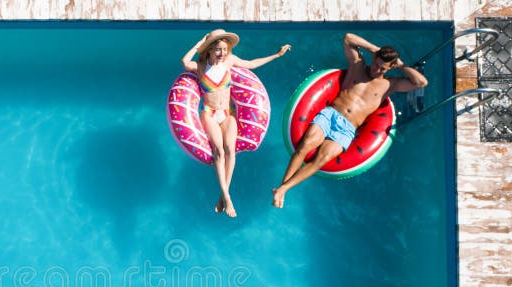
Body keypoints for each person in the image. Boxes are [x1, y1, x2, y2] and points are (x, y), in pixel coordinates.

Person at [272, 33, 428, 209]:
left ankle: (283, 189)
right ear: (374, 58)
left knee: (321, 158)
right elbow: (348, 38)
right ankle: (282, 189)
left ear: (390, 69)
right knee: (305, 144)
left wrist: (401, 66)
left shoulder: (390, 85)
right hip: (331, 115)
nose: (377, 70)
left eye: (383, 69)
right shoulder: (358, 66)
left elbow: (421, 83)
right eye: (376, 64)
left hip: (346, 129)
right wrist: (374, 50)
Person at [182, 29, 291, 217]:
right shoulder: (200, 66)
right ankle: (227, 197)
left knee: (230, 151)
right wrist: (199, 43)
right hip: (209, 113)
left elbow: (251, 64)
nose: (223, 53)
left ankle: (223, 195)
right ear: (209, 50)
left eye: (224, 49)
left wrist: (277, 55)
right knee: (219, 151)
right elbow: (184, 62)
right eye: (218, 49)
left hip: (227, 113)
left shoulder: (230, 61)